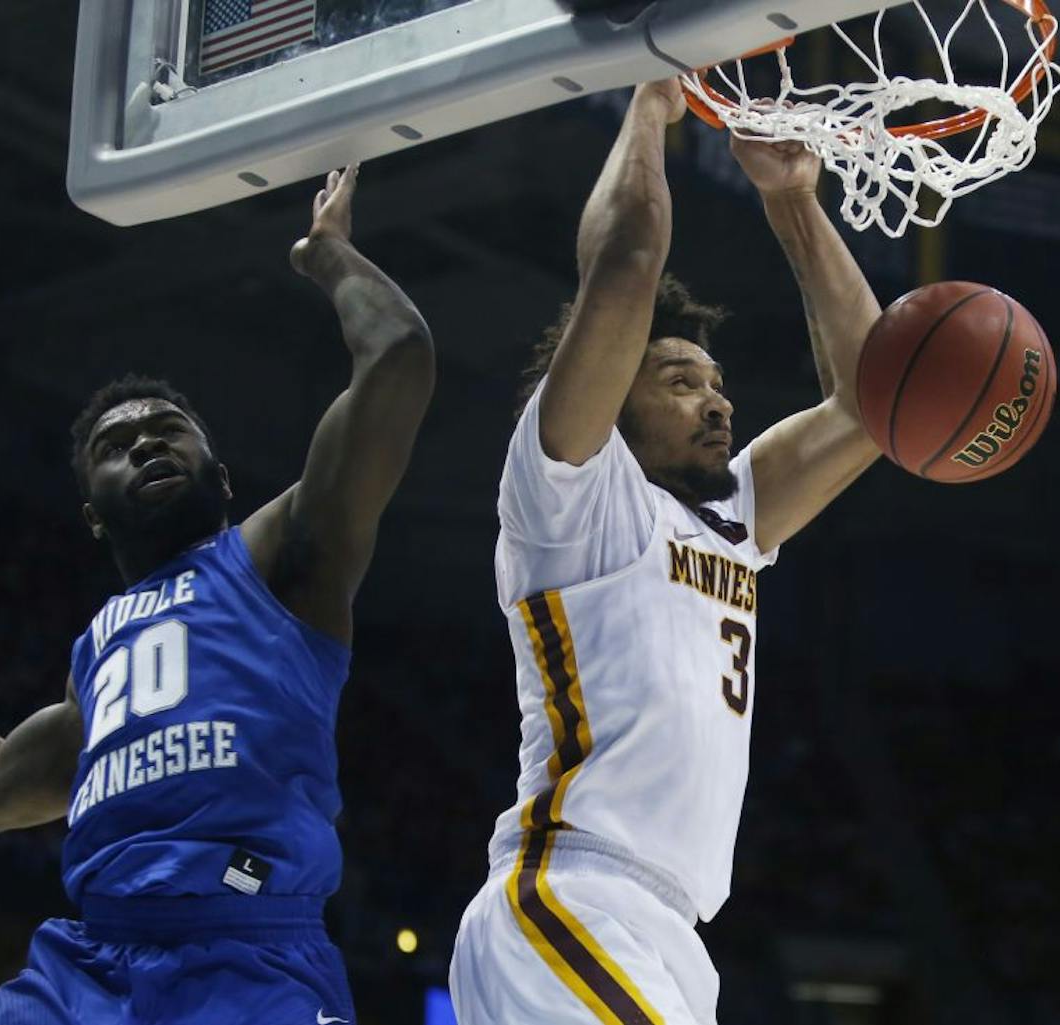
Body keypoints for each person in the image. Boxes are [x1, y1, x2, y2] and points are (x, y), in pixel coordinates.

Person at [0, 165, 433, 1025]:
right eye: (119, 444)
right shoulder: (101, 650)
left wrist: (331, 257)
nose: (147, 443)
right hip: (90, 961)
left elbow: (399, 356)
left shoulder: (279, 555)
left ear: (221, 478)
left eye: (169, 432)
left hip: (250, 949)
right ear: (91, 513)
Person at [449, 78, 883, 1025]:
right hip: (569, 896)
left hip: (670, 931)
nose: (718, 401)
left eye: (718, 381)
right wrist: (651, 102)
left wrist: (793, 202)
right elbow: (626, 265)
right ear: (612, 396)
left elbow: (870, 403)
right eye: (681, 380)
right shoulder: (573, 493)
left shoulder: (736, 517)